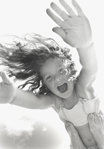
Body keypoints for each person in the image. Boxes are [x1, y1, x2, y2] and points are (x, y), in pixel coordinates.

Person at [0, 0, 103, 148]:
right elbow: (38, 102)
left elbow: (90, 69)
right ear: (45, 84)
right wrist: (14, 97)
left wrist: (87, 46)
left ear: (71, 72)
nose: (58, 78)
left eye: (62, 70)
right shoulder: (56, 101)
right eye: (49, 77)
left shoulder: (82, 88)